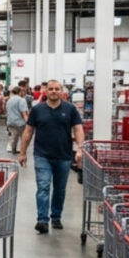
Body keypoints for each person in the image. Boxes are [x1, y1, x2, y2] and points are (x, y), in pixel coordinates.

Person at [20, 79, 85, 234]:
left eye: (57, 89)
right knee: (43, 187)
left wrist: (80, 149)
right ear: (46, 91)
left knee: (59, 189)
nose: (54, 91)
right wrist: (22, 152)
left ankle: (56, 217)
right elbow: (28, 131)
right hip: (42, 156)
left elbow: (78, 129)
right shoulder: (37, 109)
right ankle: (42, 220)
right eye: (51, 89)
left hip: (63, 156)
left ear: (61, 91)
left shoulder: (70, 109)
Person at [5, 86, 30, 154]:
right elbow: (24, 113)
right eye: (23, 91)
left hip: (10, 121)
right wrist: (28, 122)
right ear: (20, 92)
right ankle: (23, 151)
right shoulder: (21, 100)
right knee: (23, 137)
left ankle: (13, 150)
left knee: (14, 137)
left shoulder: (9, 100)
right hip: (20, 122)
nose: (24, 93)